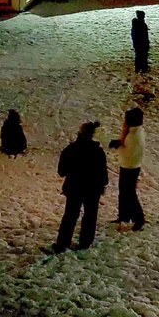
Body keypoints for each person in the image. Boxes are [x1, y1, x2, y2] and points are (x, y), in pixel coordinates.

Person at [52, 121, 108, 253]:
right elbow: (103, 174)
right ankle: (85, 242)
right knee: (90, 214)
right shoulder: (98, 151)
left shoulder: (70, 150)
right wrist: (102, 184)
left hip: (74, 187)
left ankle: (63, 242)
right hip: (93, 189)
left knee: (70, 215)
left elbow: (62, 171)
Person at [108, 108, 145, 231]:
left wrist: (117, 146)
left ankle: (139, 218)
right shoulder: (134, 132)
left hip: (130, 167)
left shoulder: (134, 136)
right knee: (124, 192)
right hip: (129, 166)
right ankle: (124, 215)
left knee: (129, 193)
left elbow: (128, 153)